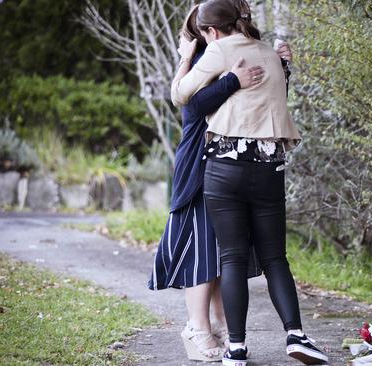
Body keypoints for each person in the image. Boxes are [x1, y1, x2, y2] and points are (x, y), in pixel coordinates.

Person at [171, 0, 328, 365]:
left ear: (211, 31)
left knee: (233, 259)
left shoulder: (219, 49)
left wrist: (191, 60)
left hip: (226, 168)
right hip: (270, 167)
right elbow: (276, 100)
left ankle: (237, 348)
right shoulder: (270, 53)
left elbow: (183, 97)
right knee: (275, 257)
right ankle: (296, 334)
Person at [149, 3, 293, 362]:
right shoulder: (207, 56)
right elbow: (192, 106)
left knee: (221, 250)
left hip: (230, 161)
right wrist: (231, 80)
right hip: (202, 160)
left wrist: (281, 69)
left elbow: (261, 108)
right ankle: (197, 329)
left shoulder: (238, 50)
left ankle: (215, 325)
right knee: (201, 248)